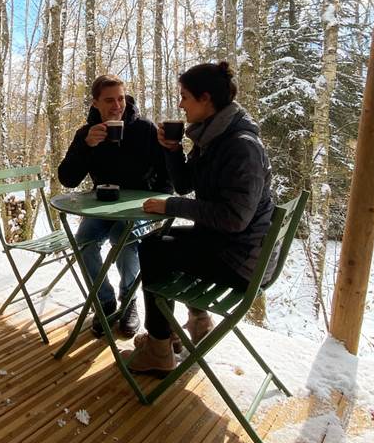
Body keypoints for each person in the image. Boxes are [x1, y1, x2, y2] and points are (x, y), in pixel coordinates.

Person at [128, 61, 275, 376]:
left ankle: (158, 347)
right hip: (231, 247)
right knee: (154, 243)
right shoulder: (216, 136)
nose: (180, 104)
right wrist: (171, 149)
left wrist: (172, 207)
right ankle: (196, 324)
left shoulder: (240, 147)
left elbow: (234, 218)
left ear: (205, 98)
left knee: (153, 251)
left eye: (184, 97)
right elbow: (185, 184)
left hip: (243, 262)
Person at [58, 74, 170, 338]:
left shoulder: (145, 129)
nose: (116, 105)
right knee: (84, 240)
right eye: (109, 100)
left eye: (120, 98)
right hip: (101, 205)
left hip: (138, 209)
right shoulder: (86, 134)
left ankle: (129, 301)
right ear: (96, 103)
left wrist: (154, 202)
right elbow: (67, 179)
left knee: (123, 236)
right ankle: (105, 301)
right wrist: (85, 147)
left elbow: (167, 177)